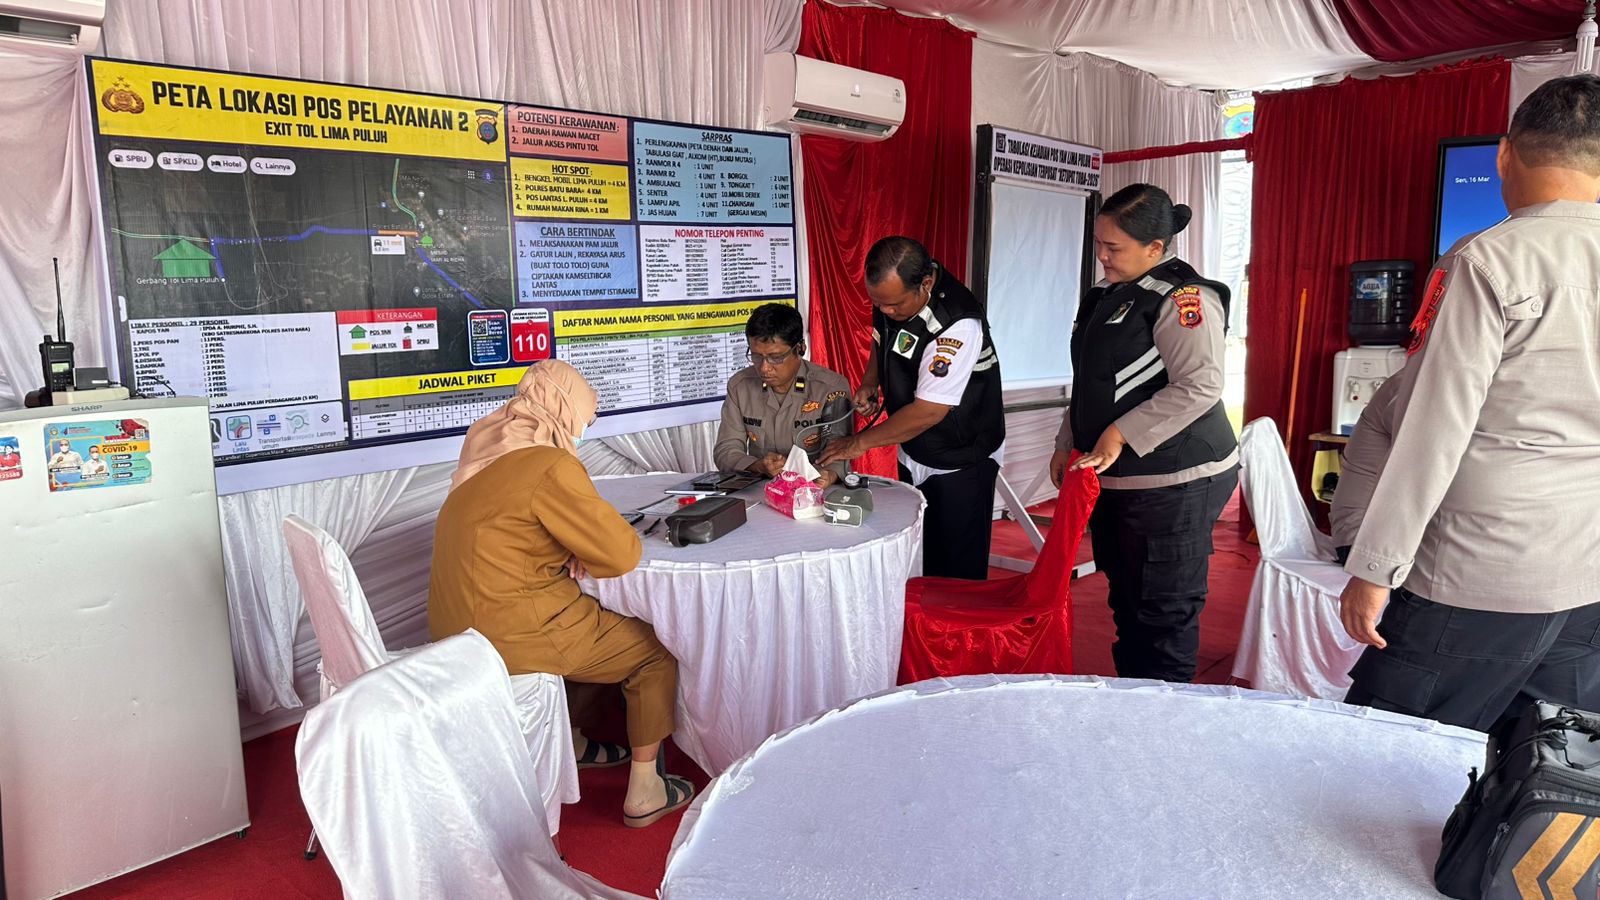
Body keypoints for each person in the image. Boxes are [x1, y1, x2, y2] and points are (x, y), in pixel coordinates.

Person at [1338, 74, 1600, 733]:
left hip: (1479, 567)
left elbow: (1431, 430)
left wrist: (1374, 567)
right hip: (1587, 568)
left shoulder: (1486, 260)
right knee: (1541, 759)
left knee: (1383, 751)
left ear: (1504, 154)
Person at [428, 360, 693, 827]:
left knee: (590, 620)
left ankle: (573, 741)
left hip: (453, 628)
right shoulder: (549, 464)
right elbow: (622, 553)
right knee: (652, 649)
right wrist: (585, 546)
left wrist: (570, 544)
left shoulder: (484, 449)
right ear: (565, 410)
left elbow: (513, 528)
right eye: (586, 418)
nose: (584, 429)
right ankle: (645, 790)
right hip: (514, 631)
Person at [1050, 184, 1238, 683]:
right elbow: (1093, 381)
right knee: (1128, 603)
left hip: (1175, 481)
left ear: (1155, 247)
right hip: (1120, 483)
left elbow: (1200, 385)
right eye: (1099, 244)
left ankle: (1162, 715)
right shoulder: (1107, 294)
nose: (1102, 257)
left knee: (1162, 616)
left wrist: (1118, 434)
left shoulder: (1183, 298)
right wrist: (1067, 441)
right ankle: (1132, 702)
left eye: (1114, 247)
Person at [819, 236, 1006, 579]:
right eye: (878, 303)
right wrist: (871, 381)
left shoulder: (956, 324)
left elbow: (929, 412)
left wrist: (858, 443)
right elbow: (882, 337)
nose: (886, 311)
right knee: (920, 557)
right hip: (916, 448)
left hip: (961, 457)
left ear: (927, 283)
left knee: (956, 569)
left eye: (893, 305)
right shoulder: (892, 297)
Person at [714, 302, 853, 486]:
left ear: (800, 349)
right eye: (756, 356)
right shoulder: (740, 386)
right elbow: (726, 449)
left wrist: (830, 474)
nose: (764, 368)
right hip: (761, 489)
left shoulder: (830, 387)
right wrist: (757, 466)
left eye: (776, 357)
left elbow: (839, 448)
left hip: (815, 489)